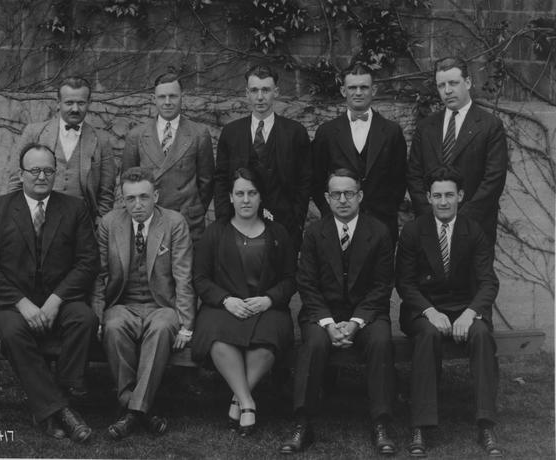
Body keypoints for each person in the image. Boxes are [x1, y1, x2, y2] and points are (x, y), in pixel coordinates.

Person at [0, 143, 99, 442]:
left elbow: (87, 261)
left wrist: (56, 300)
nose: (42, 176)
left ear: (56, 173)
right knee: (15, 333)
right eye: (35, 170)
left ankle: (56, 399)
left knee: (84, 319)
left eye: (48, 170)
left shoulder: (74, 208)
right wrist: (21, 303)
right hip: (9, 302)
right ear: (21, 174)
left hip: (59, 298)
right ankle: (63, 411)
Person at [279, 168, 396, 455]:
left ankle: (381, 422)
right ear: (327, 199)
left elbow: (382, 286)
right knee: (315, 343)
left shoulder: (379, 232)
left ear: (360, 196)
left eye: (349, 193)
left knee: (381, 342)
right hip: (322, 313)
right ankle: (302, 423)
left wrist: (356, 322)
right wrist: (330, 324)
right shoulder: (314, 233)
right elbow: (306, 283)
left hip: (367, 314)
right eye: (336, 194)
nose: (343, 199)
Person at [396, 166, 501, 458]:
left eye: (450, 195)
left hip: (464, 306)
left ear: (461, 196)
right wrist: (429, 311)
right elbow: (403, 282)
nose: (443, 202)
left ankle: (486, 423)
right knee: (427, 336)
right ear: (428, 197)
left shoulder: (474, 230)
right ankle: (421, 423)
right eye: (437, 195)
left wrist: (471, 313)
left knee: (481, 334)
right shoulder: (414, 231)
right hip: (424, 308)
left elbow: (488, 281)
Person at [91, 167, 195, 440]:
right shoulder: (109, 224)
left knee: (161, 329)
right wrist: (99, 317)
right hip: (123, 303)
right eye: (130, 198)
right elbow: (100, 276)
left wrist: (186, 324)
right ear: (122, 199)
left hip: (163, 306)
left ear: (156, 196)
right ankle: (140, 409)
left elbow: (183, 276)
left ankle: (130, 412)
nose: (137, 205)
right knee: (113, 327)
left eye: (144, 197)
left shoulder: (174, 223)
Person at [192, 167, 296, 436]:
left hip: (265, 308)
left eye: (252, 193)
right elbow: (201, 279)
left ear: (261, 197)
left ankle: (238, 398)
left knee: (270, 338)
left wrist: (269, 299)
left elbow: (290, 279)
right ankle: (247, 401)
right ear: (230, 197)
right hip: (223, 308)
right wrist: (226, 300)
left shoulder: (278, 233)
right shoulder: (215, 232)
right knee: (216, 336)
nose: (246, 199)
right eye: (240, 193)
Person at [407, 56, 508, 246]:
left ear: (468, 82)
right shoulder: (426, 126)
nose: (447, 91)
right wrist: (432, 217)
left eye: (453, 83)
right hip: (431, 229)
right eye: (441, 85)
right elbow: (414, 175)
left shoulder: (490, 125)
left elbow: (494, 179)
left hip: (475, 228)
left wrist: (461, 221)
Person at [213, 64, 311, 251]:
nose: (260, 97)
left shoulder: (295, 132)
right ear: (246, 94)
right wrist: (225, 220)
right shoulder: (231, 133)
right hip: (239, 226)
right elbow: (220, 180)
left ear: (276, 92)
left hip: (285, 228)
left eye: (265, 90)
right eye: (254, 90)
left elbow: (305, 181)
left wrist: (296, 220)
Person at [312, 63, 407, 246]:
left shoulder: (391, 131)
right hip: (338, 222)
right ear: (343, 91)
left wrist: (386, 211)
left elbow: (399, 179)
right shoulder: (327, 132)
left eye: (364, 87)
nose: (358, 92)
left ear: (374, 90)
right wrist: (331, 212)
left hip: (382, 223)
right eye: (352, 87)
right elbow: (317, 180)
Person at [8, 76, 116, 223]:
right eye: (69, 103)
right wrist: (17, 216)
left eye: (81, 103)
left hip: (82, 222)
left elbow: (106, 192)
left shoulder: (101, 141)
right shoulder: (34, 132)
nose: (75, 109)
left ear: (89, 104)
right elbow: (16, 180)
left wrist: (99, 221)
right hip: (39, 218)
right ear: (58, 103)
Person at [122, 72, 214, 242]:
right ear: (153, 98)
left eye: (173, 96)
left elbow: (206, 182)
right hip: (150, 218)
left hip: (187, 221)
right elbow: (126, 180)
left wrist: (193, 209)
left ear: (182, 97)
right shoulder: (137, 135)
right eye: (162, 96)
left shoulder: (198, 133)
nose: (167, 102)